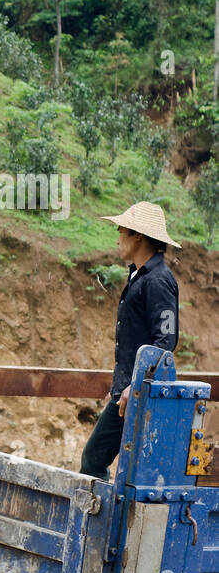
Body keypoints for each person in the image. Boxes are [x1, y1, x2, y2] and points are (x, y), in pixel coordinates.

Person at [79, 201, 181, 480]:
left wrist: (134, 385)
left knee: (93, 459)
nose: (118, 238)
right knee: (122, 466)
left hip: (140, 392)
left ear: (138, 235)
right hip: (128, 391)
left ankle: (102, 521)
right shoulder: (140, 276)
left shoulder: (158, 280)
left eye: (122, 231)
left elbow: (166, 341)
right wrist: (119, 386)